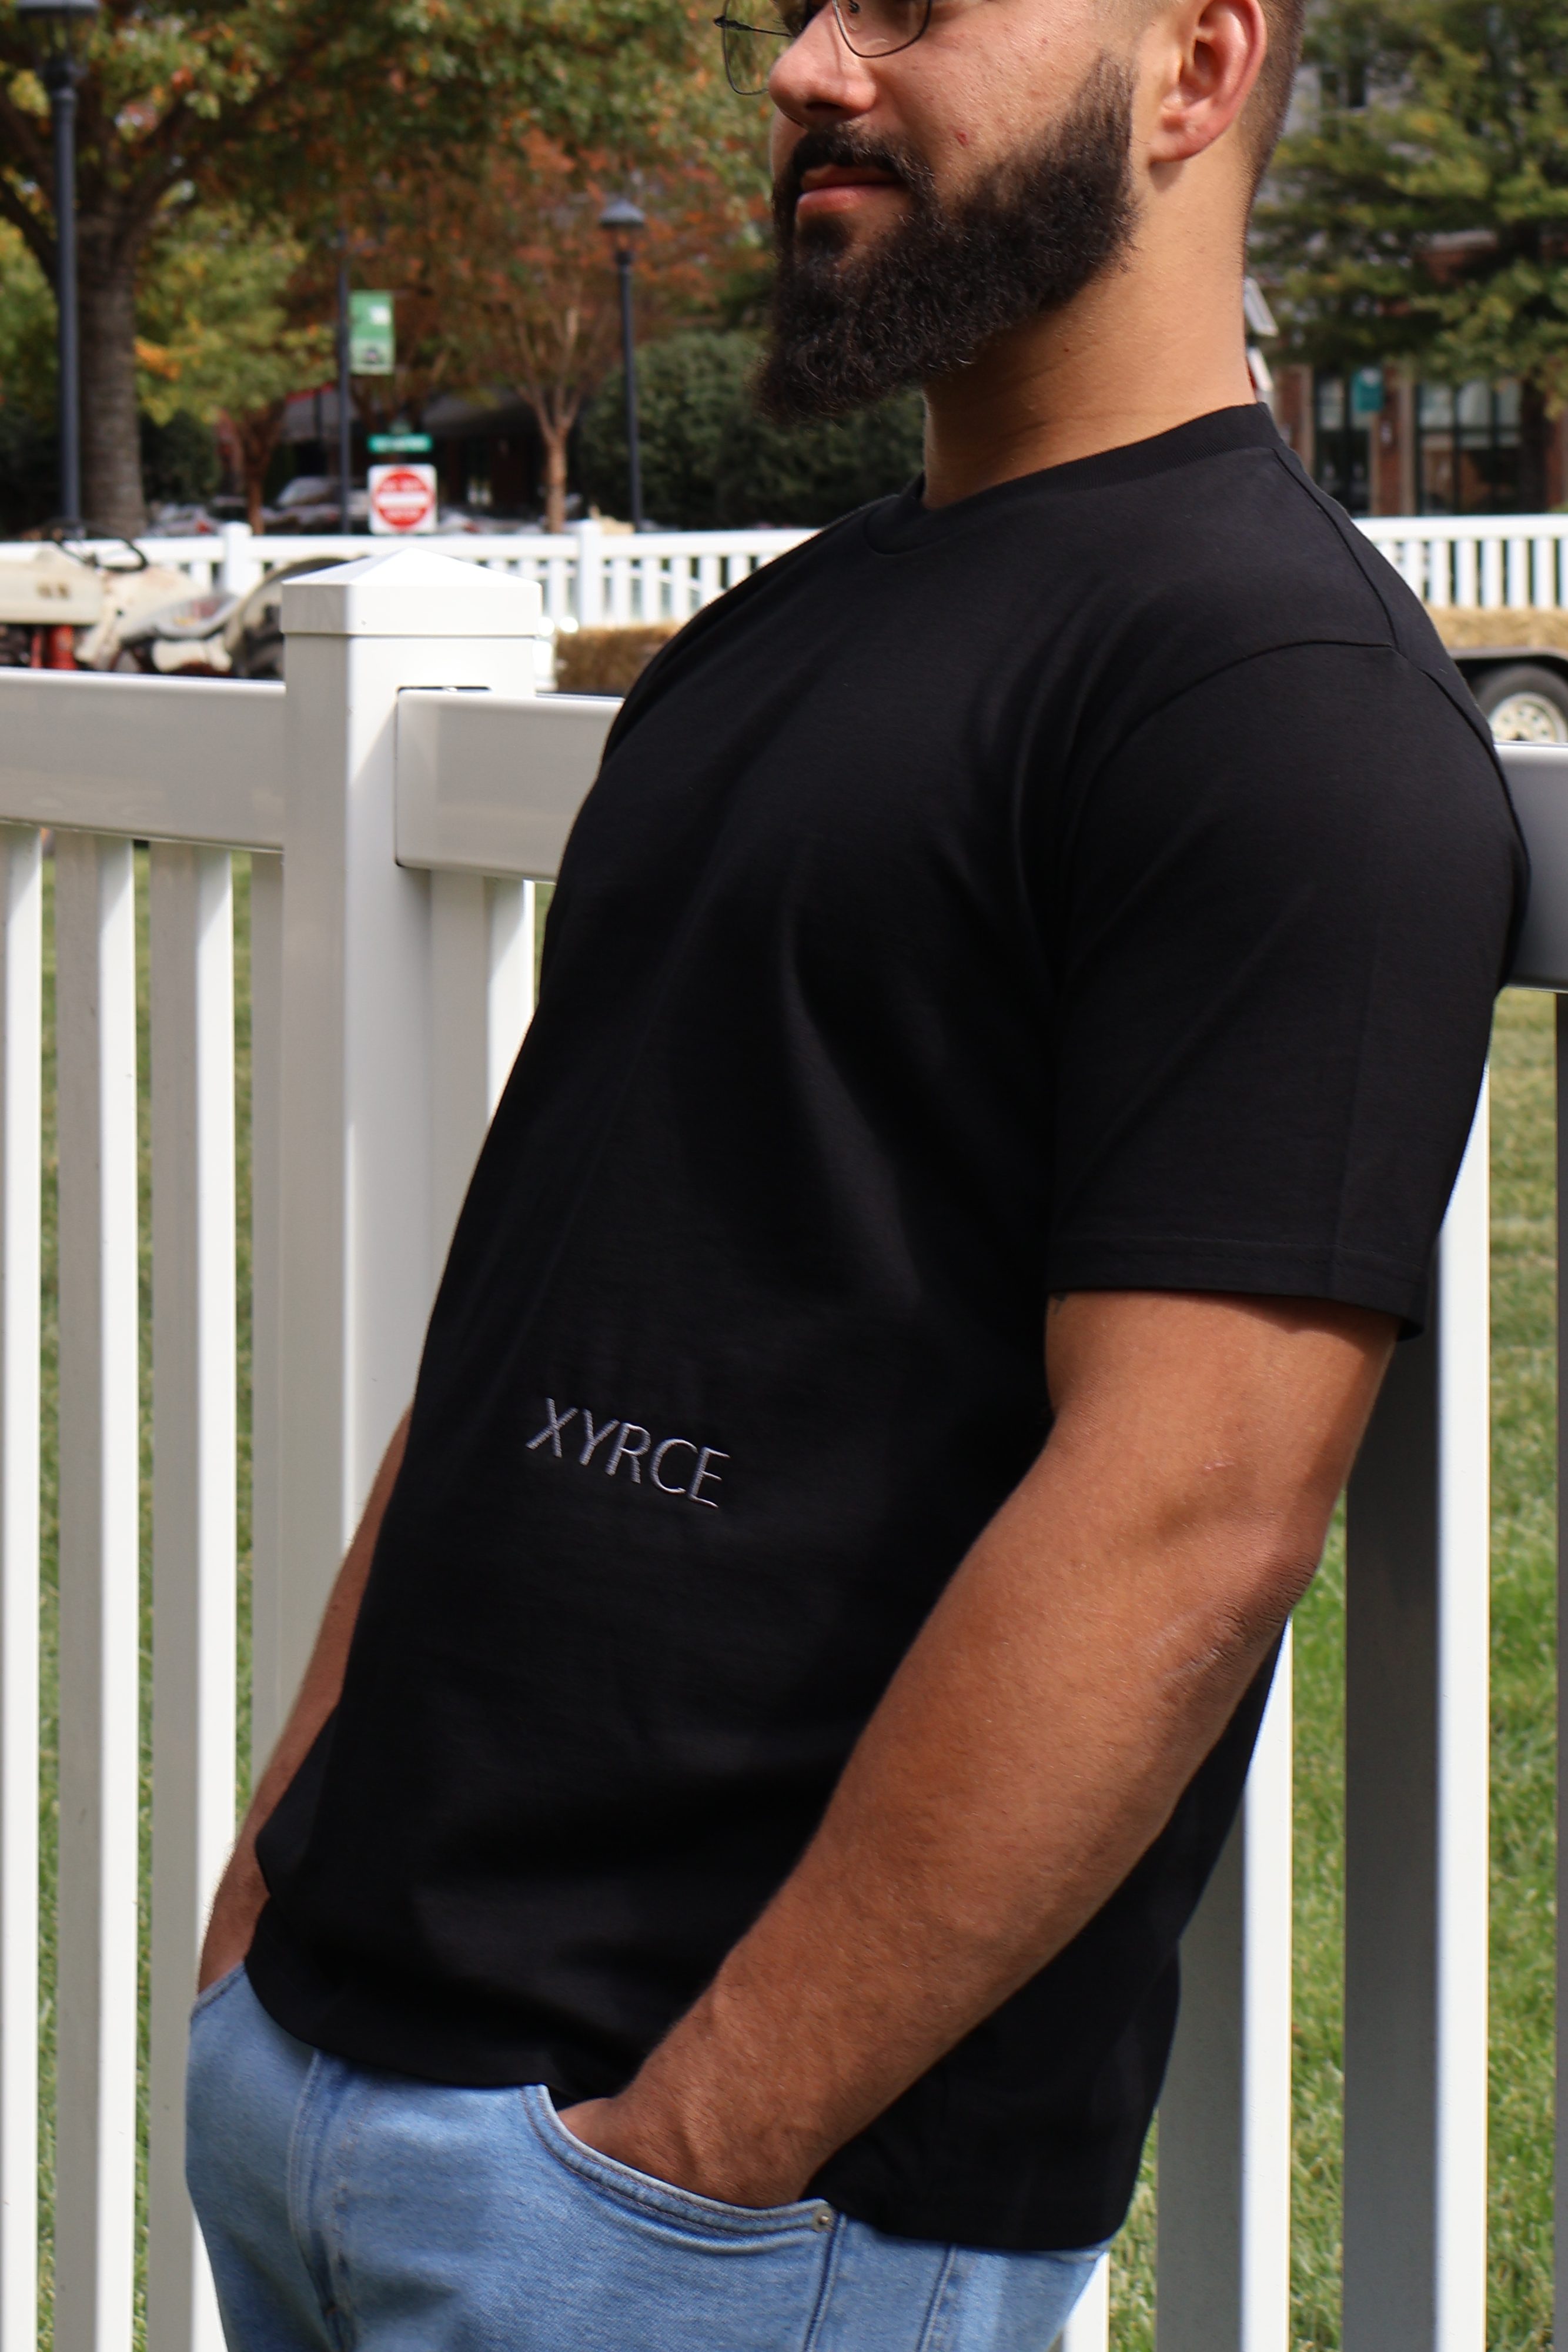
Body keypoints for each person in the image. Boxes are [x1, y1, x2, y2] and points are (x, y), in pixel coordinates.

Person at [186, 1, 1525, 2346]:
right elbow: (526, 1318)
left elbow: (1187, 1518)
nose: (804, 65)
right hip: (325, 2084)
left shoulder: (1275, 701)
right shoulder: (767, 644)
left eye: (912, 5)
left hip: (701, 2228)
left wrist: (699, 2146)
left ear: (1195, 68)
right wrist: (274, 1887)